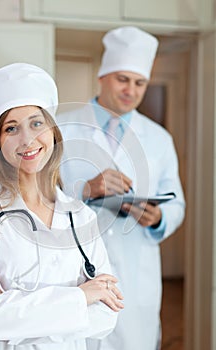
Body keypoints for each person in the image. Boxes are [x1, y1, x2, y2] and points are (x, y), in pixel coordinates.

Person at [0, 63, 124, 350]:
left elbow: (106, 316)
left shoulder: (81, 218)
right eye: (11, 128)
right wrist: (80, 298)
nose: (27, 139)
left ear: (53, 131)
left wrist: (4, 306)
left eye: (36, 123)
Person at [57, 26, 185, 350]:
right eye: (122, 79)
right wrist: (86, 190)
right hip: (75, 273)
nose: (131, 90)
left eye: (139, 82)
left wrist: (158, 217)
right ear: (102, 76)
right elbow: (40, 198)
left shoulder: (159, 138)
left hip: (135, 271)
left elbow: (177, 203)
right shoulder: (63, 128)